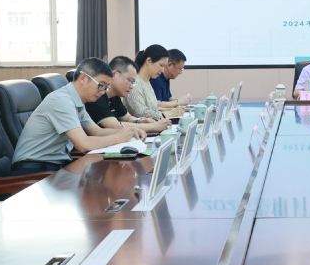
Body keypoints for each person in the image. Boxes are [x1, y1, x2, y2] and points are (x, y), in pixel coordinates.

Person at [11, 57, 146, 175]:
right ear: (83, 78)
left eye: (106, 88)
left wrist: (129, 131)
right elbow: (83, 144)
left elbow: (97, 132)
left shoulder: (76, 101)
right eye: (101, 86)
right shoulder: (62, 100)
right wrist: (118, 137)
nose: (102, 92)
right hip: (33, 170)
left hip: (53, 167)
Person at [85, 55, 170, 134]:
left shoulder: (115, 96)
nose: (132, 86)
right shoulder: (97, 95)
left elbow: (126, 118)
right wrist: (153, 127)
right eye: (130, 80)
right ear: (114, 74)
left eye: (133, 82)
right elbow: (114, 126)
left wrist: (140, 121)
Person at [124, 44, 184, 120]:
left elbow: (154, 108)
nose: (162, 70)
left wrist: (172, 110)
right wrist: (170, 113)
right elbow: (141, 113)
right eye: (161, 65)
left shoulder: (147, 82)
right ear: (149, 61)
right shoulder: (135, 83)